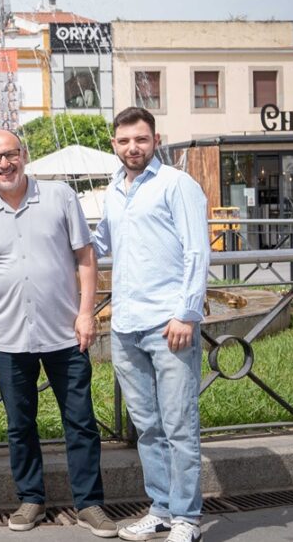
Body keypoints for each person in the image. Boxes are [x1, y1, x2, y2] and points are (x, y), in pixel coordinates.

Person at [0, 129, 117, 538]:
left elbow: (85, 257)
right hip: (10, 337)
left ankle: (90, 504)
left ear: (24, 155)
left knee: (80, 421)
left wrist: (87, 312)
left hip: (66, 333)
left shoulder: (60, 196)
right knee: (20, 424)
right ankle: (31, 498)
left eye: (10, 154)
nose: (4, 164)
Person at [92, 107, 210, 542]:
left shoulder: (177, 184)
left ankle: (187, 518)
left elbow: (198, 252)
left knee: (180, 424)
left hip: (168, 324)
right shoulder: (113, 191)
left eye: (140, 140)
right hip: (126, 325)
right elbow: (100, 242)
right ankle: (160, 508)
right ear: (114, 145)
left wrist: (187, 313)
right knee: (148, 427)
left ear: (155, 140)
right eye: (124, 141)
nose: (132, 148)